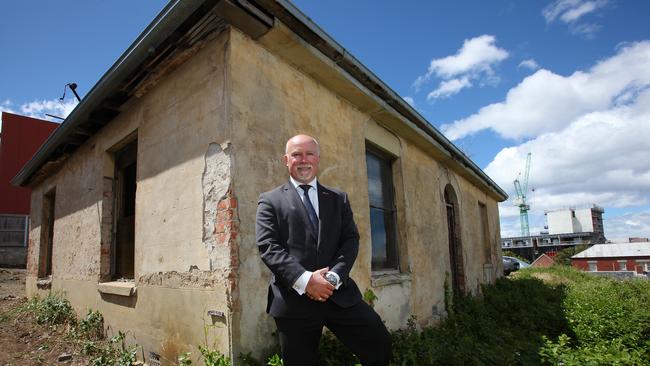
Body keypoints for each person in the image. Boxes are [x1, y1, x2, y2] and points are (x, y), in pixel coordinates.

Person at [256, 134, 392, 365]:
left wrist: (332, 277)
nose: (303, 160)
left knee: (379, 342)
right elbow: (268, 246)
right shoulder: (270, 200)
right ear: (286, 160)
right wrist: (307, 280)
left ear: (318, 159)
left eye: (309, 154)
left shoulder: (339, 198)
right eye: (296, 155)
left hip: (337, 293)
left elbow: (350, 240)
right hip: (293, 299)